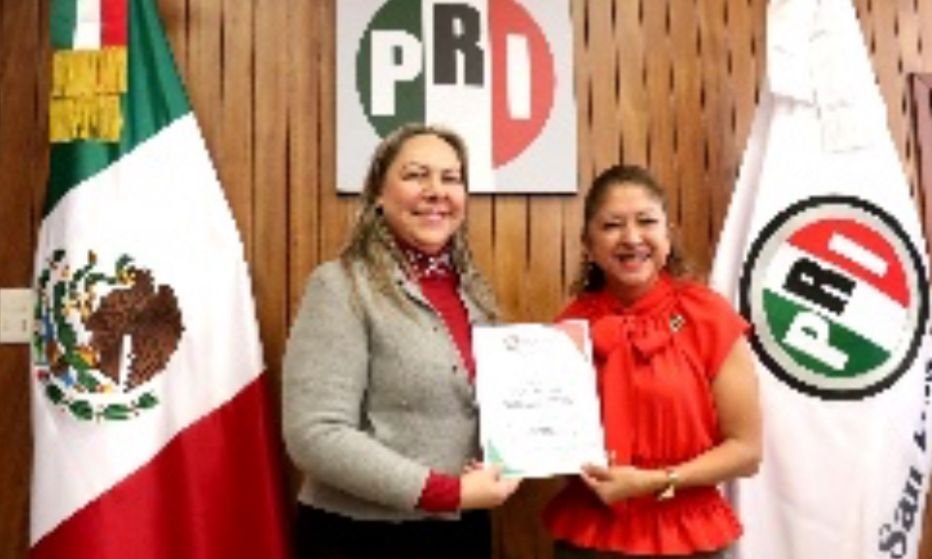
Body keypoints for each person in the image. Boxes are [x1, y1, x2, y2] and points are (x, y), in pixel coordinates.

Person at [282, 123, 519, 559]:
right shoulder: (341, 286)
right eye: (415, 175)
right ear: (378, 193)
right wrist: (446, 493)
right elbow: (315, 435)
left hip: (462, 530)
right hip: (360, 536)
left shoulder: (475, 296)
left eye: (451, 178)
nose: (436, 191)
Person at [544, 164, 762, 559]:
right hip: (591, 536)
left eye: (646, 221)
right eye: (612, 225)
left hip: (690, 536)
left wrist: (657, 480)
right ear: (588, 242)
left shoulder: (709, 316)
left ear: (667, 234)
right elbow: (551, 440)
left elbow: (746, 451)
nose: (632, 238)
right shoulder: (568, 330)